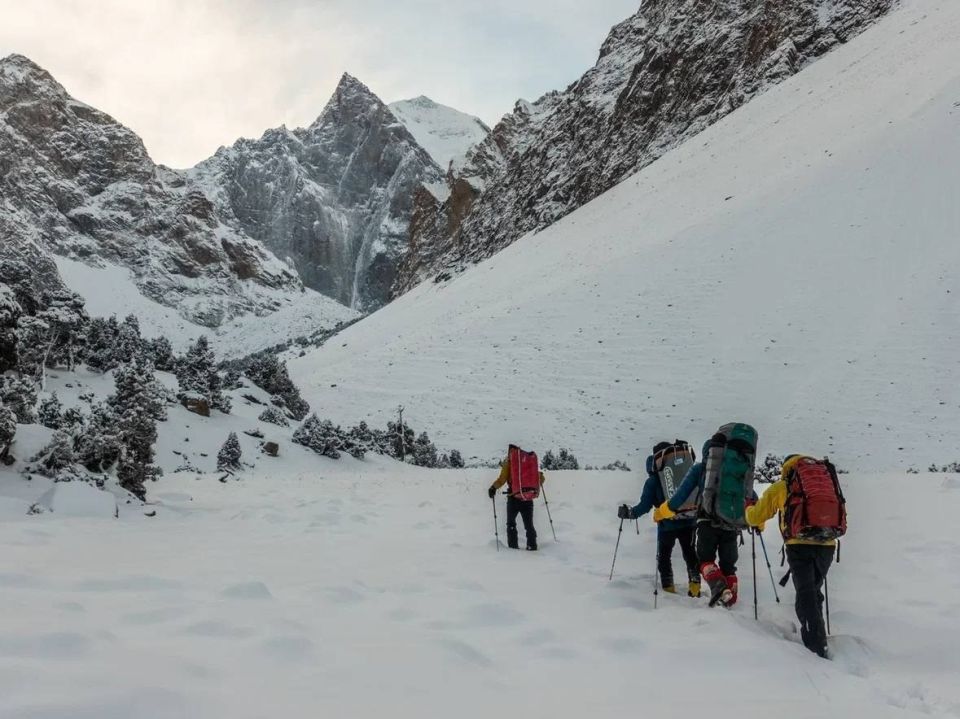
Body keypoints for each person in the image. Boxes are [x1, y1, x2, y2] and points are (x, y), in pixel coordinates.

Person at [746, 455, 839, 658]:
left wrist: (748, 509)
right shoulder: (825, 483)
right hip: (828, 544)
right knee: (813, 590)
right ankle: (818, 633)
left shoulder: (783, 486)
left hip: (799, 545)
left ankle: (816, 646)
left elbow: (755, 517)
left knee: (805, 594)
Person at [653, 433, 758, 607]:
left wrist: (662, 512)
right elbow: (750, 496)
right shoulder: (735, 474)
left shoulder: (700, 469)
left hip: (706, 521)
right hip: (731, 524)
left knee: (705, 560)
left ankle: (718, 586)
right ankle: (730, 603)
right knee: (729, 566)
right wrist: (757, 521)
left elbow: (680, 496)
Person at [617, 441, 701, 597]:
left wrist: (630, 514)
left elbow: (645, 506)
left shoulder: (653, 480)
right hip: (689, 520)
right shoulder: (685, 472)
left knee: (664, 556)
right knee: (690, 553)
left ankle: (668, 588)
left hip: (666, 526)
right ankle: (695, 586)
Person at [488, 446, 546, 551]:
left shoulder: (509, 462)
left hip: (513, 497)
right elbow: (541, 479)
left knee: (511, 523)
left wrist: (493, 488)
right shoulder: (527, 462)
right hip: (527, 498)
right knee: (529, 525)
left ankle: (513, 548)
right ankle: (532, 546)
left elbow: (502, 479)